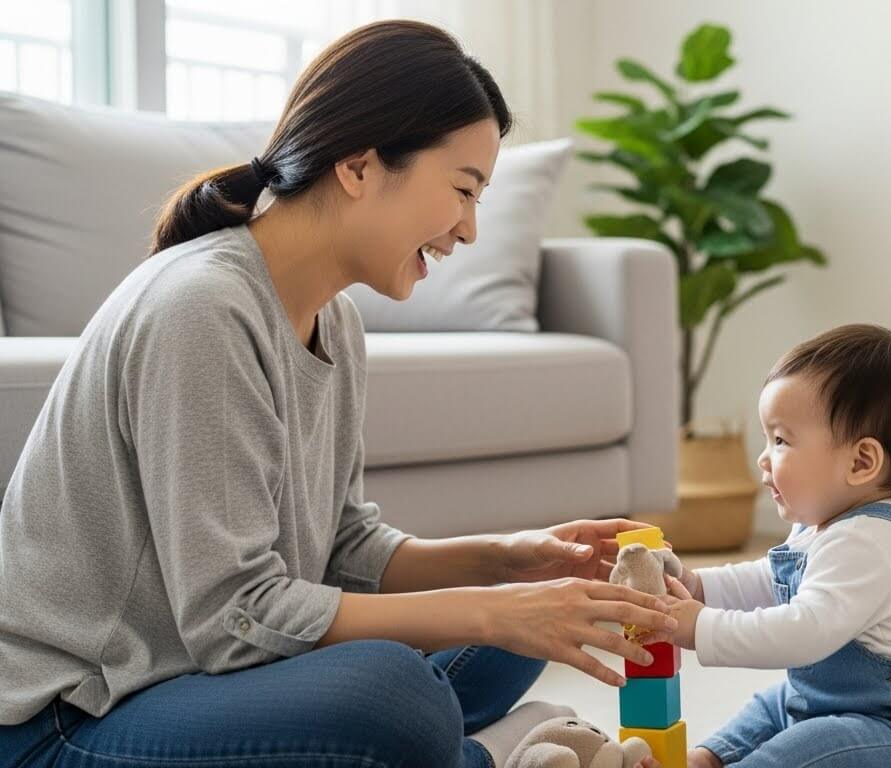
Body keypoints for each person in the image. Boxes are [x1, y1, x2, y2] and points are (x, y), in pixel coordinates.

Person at [0, 19, 671, 768]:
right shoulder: (203, 307)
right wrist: (494, 606)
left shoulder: (334, 319)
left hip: (195, 676)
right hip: (75, 713)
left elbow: (344, 547)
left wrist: (512, 562)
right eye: (462, 190)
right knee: (392, 691)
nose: (470, 229)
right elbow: (234, 617)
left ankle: (461, 745)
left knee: (519, 625)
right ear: (359, 166)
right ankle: (486, 754)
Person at [665, 324, 891, 768]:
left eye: (780, 440)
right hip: (850, 708)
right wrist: (696, 585)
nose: (763, 457)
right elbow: (767, 580)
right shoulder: (818, 529)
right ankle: (706, 758)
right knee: (778, 704)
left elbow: (803, 631)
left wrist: (700, 628)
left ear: (860, 462)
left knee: (810, 742)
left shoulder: (871, 542)